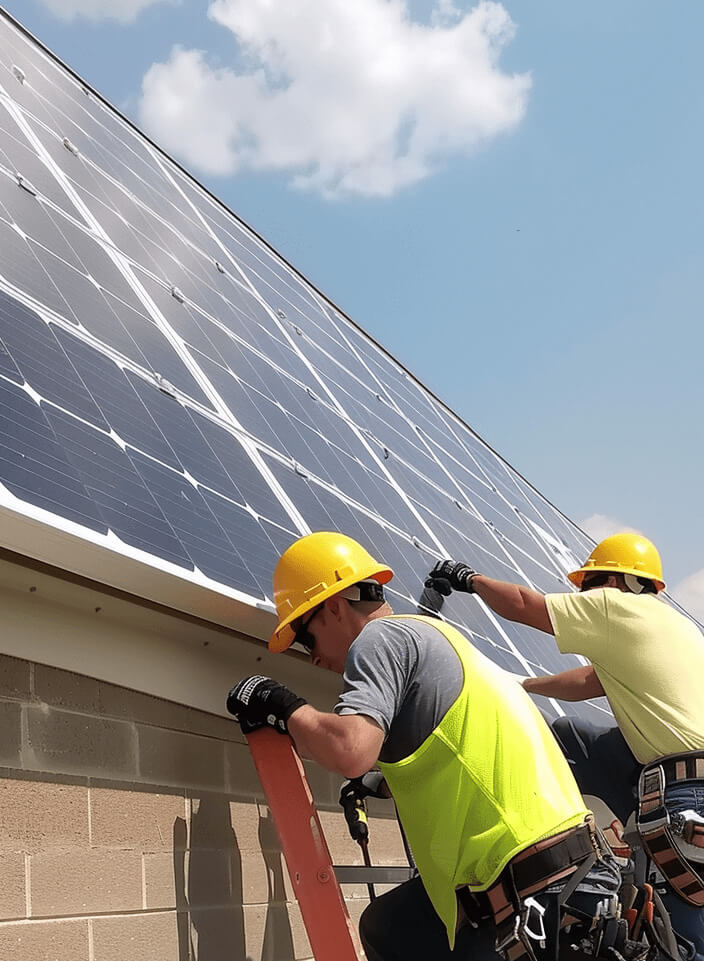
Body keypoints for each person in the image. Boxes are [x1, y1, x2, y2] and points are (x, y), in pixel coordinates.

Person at [228, 531, 621, 961]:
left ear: (334, 608)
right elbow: (458, 757)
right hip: (570, 881)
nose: (314, 658)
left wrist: (282, 705)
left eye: (307, 639)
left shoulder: (379, 641)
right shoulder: (438, 638)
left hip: (530, 897)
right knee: (390, 924)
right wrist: (382, 783)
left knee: (392, 929)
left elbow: (350, 750)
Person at [425, 532, 704, 961]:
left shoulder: (615, 606)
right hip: (684, 782)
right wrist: (520, 684)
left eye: (587, 587)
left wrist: (469, 579)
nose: (583, 597)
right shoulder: (673, 629)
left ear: (615, 582)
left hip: (684, 791)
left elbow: (524, 604)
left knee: (681, 942)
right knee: (574, 736)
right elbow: (587, 682)